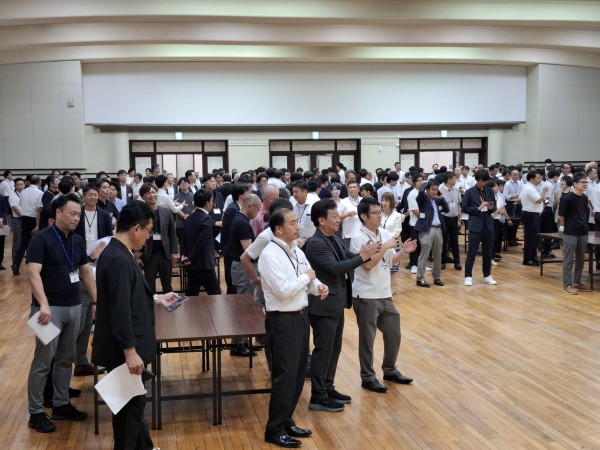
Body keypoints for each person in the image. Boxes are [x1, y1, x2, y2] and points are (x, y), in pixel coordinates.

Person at [92, 201, 179, 449]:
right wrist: (130, 352)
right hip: (124, 350)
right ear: (136, 229)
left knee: (134, 405)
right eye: (149, 231)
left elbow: (127, 296)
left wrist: (157, 299)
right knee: (128, 414)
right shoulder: (118, 259)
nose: (149, 237)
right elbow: (119, 310)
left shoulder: (118, 252)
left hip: (126, 345)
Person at [26, 194, 96, 433]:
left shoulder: (77, 241)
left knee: (66, 359)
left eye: (79, 215)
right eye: (72, 214)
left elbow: (85, 272)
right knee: (43, 361)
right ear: (58, 213)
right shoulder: (41, 239)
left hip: (73, 306)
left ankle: (60, 404)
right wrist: (43, 304)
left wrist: (97, 300)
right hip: (47, 311)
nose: (76, 218)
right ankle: (36, 412)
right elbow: (33, 273)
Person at [259, 208, 328, 448]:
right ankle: (274, 429)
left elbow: (308, 277)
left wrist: (318, 286)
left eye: (297, 221)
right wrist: (308, 278)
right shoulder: (269, 255)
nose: (298, 226)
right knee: (285, 377)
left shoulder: (296, 249)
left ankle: (286, 420)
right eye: (292, 222)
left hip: (300, 317)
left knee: (298, 374)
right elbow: (283, 290)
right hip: (282, 320)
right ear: (279, 229)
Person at [305, 199, 378, 413]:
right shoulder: (316, 243)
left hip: (335, 303)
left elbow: (348, 257)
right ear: (321, 220)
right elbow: (336, 268)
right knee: (323, 350)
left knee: (334, 349)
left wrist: (366, 254)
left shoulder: (332, 238)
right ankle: (318, 395)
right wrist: (362, 257)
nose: (339, 220)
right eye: (335, 217)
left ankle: (328, 388)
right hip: (323, 305)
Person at [350, 197, 417, 392]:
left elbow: (390, 261)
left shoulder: (385, 233)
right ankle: (367, 377)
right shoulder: (358, 238)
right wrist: (386, 246)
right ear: (364, 216)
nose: (380, 215)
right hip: (366, 295)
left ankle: (389, 370)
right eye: (375, 213)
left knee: (393, 333)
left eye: (380, 212)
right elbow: (368, 265)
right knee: (367, 339)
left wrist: (403, 252)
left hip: (385, 293)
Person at [139, 183, 178, 293]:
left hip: (165, 253)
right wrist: (137, 254)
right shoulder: (140, 213)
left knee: (167, 285)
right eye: (148, 193)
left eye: (154, 192)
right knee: (149, 286)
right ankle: (150, 303)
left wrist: (174, 251)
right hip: (148, 254)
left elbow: (172, 232)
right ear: (142, 196)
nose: (152, 195)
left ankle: (169, 302)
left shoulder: (167, 211)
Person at [181, 188, 221, 296]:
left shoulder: (189, 217)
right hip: (204, 263)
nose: (213, 203)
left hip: (190, 263)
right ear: (207, 203)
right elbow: (201, 242)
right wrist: (190, 258)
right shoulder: (206, 219)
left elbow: (183, 238)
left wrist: (185, 255)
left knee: (192, 293)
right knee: (215, 294)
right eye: (212, 201)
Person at [462, 169, 497, 286]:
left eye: (485, 181)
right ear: (477, 180)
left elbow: (494, 206)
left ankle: (487, 275)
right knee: (472, 252)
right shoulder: (469, 192)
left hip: (488, 225)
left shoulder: (489, 191)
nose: (483, 183)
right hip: (475, 225)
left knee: (488, 253)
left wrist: (491, 208)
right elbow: (465, 208)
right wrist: (478, 208)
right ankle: (468, 276)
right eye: (481, 181)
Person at [558, 173, 591, 295]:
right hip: (570, 232)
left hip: (583, 231)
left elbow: (586, 212)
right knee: (569, 260)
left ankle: (577, 282)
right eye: (583, 182)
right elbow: (561, 215)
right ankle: (567, 285)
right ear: (575, 184)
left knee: (581, 259)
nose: (585, 184)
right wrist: (562, 228)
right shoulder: (567, 198)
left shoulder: (585, 197)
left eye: (586, 182)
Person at [414, 181, 448, 287]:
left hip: (438, 229)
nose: (435, 192)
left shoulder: (437, 200)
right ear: (427, 190)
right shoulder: (423, 199)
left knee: (438, 255)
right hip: (427, 229)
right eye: (432, 189)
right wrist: (426, 183)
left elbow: (446, 209)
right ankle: (420, 278)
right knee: (424, 254)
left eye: (436, 190)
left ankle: (436, 277)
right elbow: (420, 193)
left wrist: (442, 198)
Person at [12, 175, 44, 275]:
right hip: (34, 219)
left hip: (24, 219)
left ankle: (16, 264)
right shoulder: (40, 193)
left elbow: (21, 205)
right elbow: (38, 209)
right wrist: (38, 225)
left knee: (23, 243)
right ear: (39, 182)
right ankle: (37, 267)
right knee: (38, 243)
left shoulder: (24, 192)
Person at [520, 171, 549, 266]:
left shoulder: (530, 187)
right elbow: (539, 200)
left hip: (532, 214)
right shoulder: (529, 188)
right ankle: (528, 259)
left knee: (534, 238)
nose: (539, 180)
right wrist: (544, 192)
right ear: (532, 179)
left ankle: (532, 257)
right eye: (537, 178)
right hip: (530, 215)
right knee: (531, 238)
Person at [439, 172, 462, 270]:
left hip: (454, 218)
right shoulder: (440, 190)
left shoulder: (456, 190)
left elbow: (458, 204)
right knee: (444, 241)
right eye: (454, 179)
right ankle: (443, 261)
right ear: (449, 180)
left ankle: (457, 262)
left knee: (455, 241)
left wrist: (460, 216)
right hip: (444, 218)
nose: (455, 180)